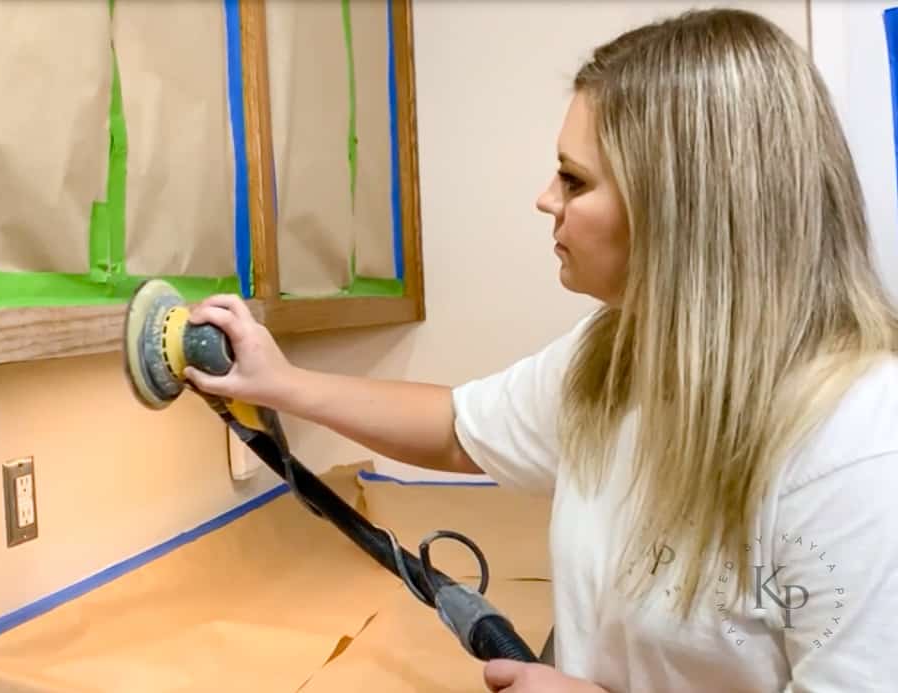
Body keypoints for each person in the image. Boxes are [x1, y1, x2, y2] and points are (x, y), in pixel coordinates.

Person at [187, 8, 898, 692]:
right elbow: (457, 429)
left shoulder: (857, 447)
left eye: (574, 179)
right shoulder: (620, 351)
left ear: (681, 208)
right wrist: (279, 381)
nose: (544, 199)